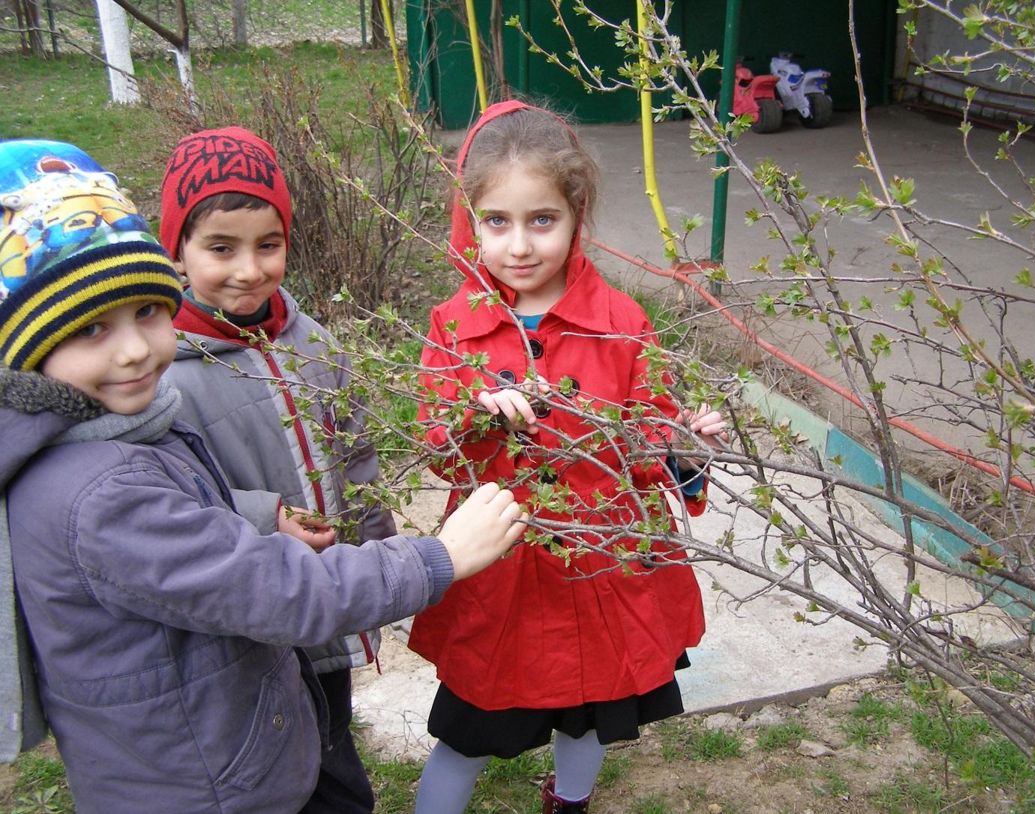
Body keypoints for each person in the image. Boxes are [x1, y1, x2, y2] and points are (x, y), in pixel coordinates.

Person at [0, 138, 526, 814]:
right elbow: (269, 589)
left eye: (146, 313)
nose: (132, 350)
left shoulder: (114, 427)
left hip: (226, 726)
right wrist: (438, 558)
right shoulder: (100, 488)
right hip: (207, 780)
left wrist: (254, 517)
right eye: (90, 329)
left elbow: (185, 536)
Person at [408, 100, 728, 814]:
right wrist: (474, 415)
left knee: (592, 707)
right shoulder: (454, 325)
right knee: (467, 729)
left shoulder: (622, 322)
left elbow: (644, 445)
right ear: (472, 222)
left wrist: (682, 445)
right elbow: (437, 446)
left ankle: (569, 801)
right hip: (502, 570)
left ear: (575, 211)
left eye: (540, 221)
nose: (518, 246)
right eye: (497, 223)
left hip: (603, 565)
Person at [157, 125, 393, 813]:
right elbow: (164, 493)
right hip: (244, 620)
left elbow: (356, 454)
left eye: (269, 244)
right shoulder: (162, 371)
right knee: (276, 763)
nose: (249, 269)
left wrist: (375, 544)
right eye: (220, 248)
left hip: (324, 597)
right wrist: (263, 518)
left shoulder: (312, 341)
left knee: (331, 744)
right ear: (176, 251)